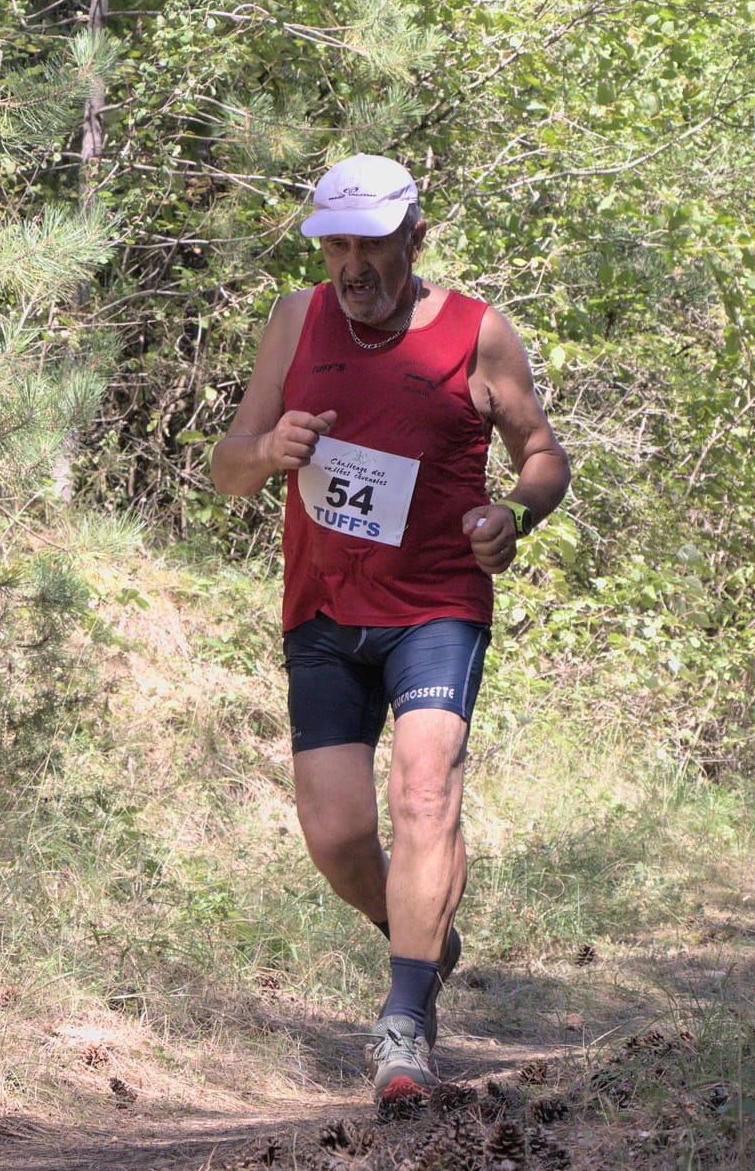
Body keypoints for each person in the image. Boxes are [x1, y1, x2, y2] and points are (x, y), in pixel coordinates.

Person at [211, 154, 570, 1108]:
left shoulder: (477, 333)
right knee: (336, 836)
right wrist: (268, 449)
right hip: (325, 610)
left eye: (370, 241)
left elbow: (540, 452)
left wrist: (515, 517)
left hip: (437, 606)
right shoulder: (295, 320)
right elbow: (227, 466)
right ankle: (428, 942)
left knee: (424, 795)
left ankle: (405, 1021)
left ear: (416, 235)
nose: (351, 262)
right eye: (335, 241)